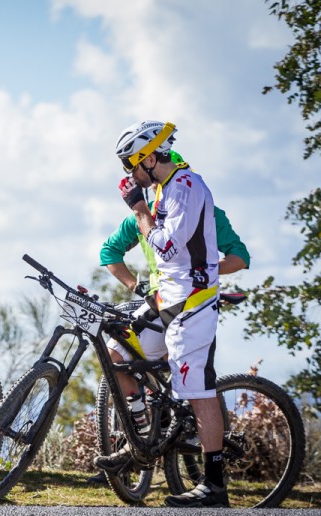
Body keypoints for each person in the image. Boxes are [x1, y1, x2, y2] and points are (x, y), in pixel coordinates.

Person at [88, 151, 250, 486]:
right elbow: (109, 253)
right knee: (116, 357)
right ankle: (143, 432)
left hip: (190, 298)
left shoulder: (204, 212)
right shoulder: (145, 217)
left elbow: (240, 258)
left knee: (189, 385)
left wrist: (203, 266)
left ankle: (187, 444)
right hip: (159, 300)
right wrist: (135, 285)